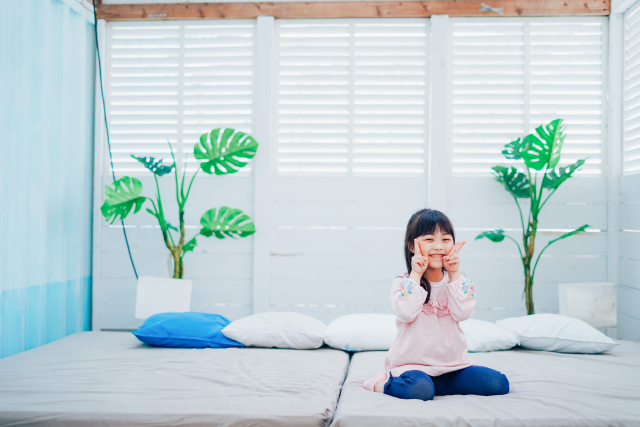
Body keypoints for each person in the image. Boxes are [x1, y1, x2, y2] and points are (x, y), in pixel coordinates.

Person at [362, 208, 509, 401]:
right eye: (429, 239)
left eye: (446, 240)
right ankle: (381, 383)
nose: (438, 246)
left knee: (498, 383)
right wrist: (415, 274)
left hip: (453, 368)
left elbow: (464, 313)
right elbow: (406, 312)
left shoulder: (459, 282)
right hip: (413, 368)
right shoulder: (404, 282)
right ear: (412, 246)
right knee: (419, 391)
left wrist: (455, 273)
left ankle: (437, 386)